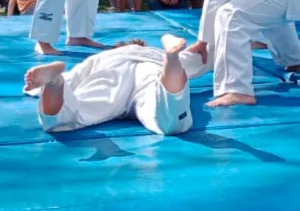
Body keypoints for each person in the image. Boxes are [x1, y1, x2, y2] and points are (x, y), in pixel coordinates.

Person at [24, 34, 204, 137]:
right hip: (150, 67)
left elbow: (76, 76)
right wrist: (201, 50)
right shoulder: (152, 52)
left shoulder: (103, 57)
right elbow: (200, 61)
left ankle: (54, 82)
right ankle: (171, 59)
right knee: (172, 122)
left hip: (112, 70)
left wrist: (44, 85)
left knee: (63, 119)